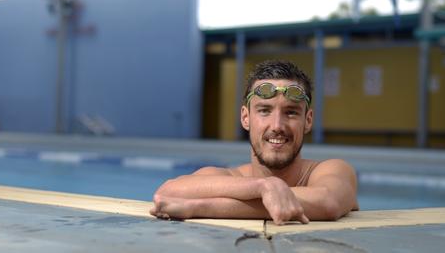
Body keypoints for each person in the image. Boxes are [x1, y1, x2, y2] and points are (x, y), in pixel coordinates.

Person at [150, 60, 359, 225]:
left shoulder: (331, 170)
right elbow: (167, 192)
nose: (277, 125)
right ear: (245, 118)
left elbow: (327, 203)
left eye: (291, 112)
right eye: (264, 110)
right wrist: (262, 186)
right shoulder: (231, 177)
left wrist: (201, 207)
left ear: (308, 120)